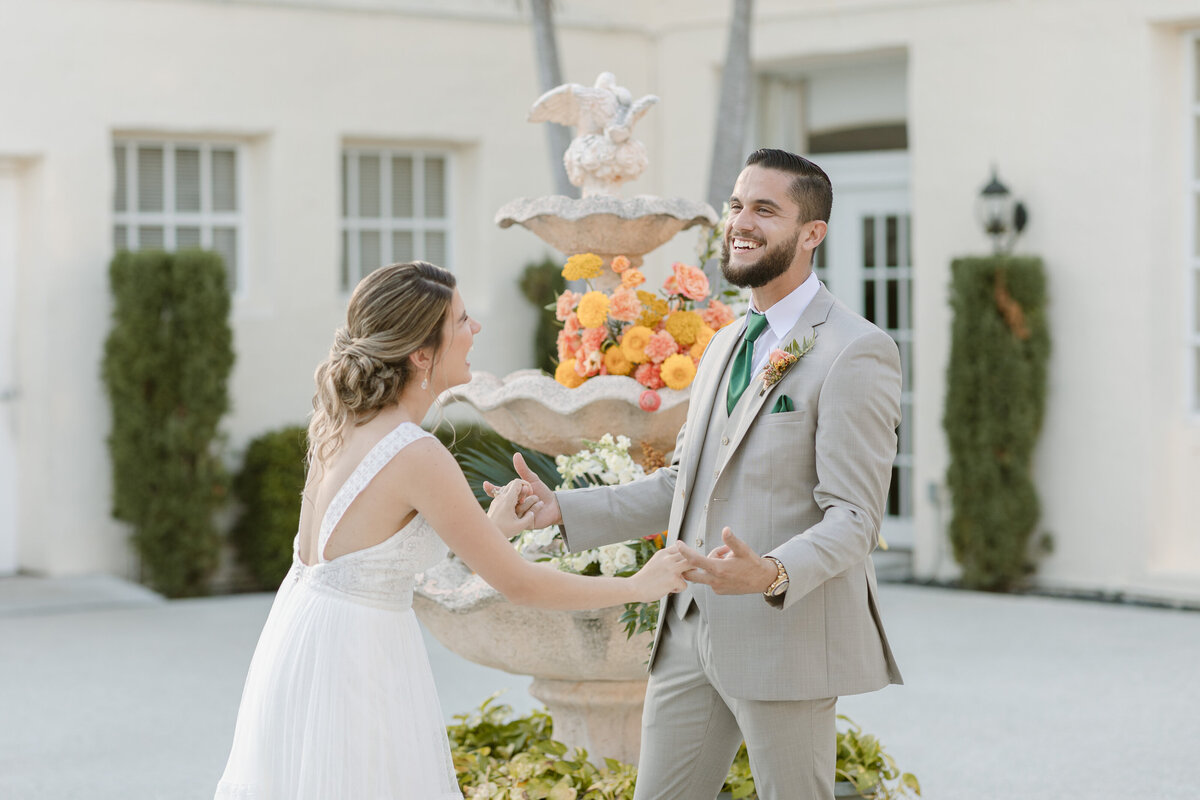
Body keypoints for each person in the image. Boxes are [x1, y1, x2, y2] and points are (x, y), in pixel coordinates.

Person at [494, 149, 904, 800]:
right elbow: (682, 484)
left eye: (765, 209)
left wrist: (768, 572)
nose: (741, 221)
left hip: (783, 639)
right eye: (737, 205)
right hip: (687, 632)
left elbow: (855, 518)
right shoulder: (723, 344)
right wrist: (565, 511)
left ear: (811, 234)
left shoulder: (855, 352)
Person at [214, 261, 688, 800]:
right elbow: (520, 585)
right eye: (462, 321)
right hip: (357, 663)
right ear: (421, 354)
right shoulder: (415, 452)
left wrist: (490, 530)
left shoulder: (339, 426)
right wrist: (638, 586)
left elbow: (355, 556)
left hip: (310, 642)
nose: (476, 330)